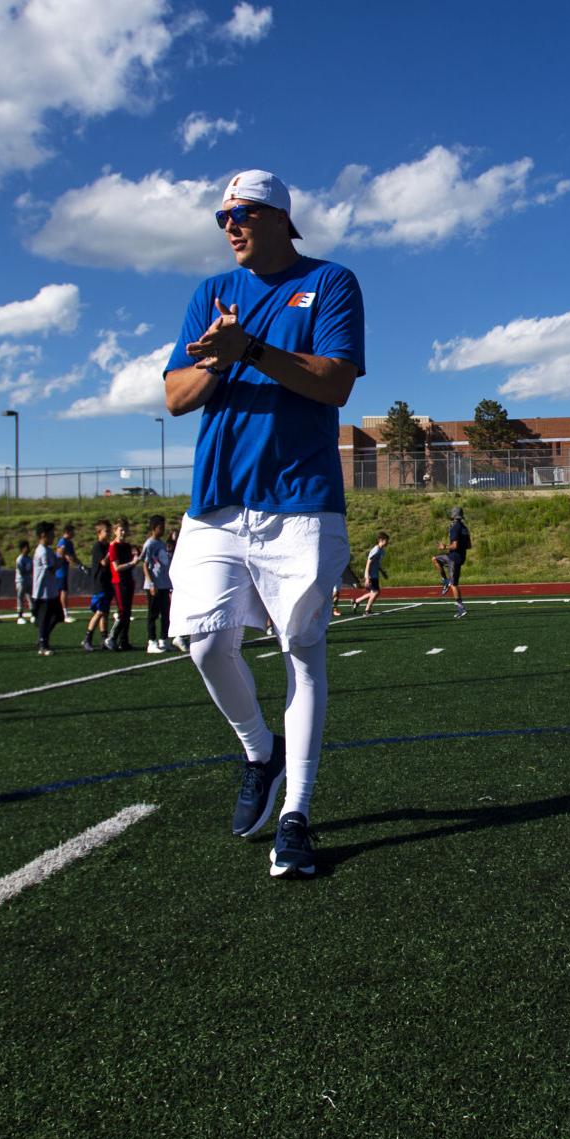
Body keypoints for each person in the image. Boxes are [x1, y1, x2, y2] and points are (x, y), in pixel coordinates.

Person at [164, 167, 364, 878]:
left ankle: (297, 815)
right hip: (215, 501)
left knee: (301, 651)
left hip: (300, 498)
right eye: (222, 217)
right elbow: (176, 395)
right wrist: (219, 360)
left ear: (281, 216)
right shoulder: (206, 294)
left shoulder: (332, 282)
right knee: (201, 640)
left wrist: (249, 349)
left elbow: (335, 381)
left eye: (243, 213)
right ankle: (260, 751)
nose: (230, 226)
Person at [104, 519, 139, 651]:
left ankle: (124, 640)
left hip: (128, 580)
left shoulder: (127, 546)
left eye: (125, 529)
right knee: (123, 611)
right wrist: (132, 563)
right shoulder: (113, 546)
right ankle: (111, 638)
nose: (123, 532)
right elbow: (116, 567)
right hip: (119, 582)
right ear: (115, 531)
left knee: (128, 611)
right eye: (121, 530)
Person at [141, 514, 174, 652]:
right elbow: (145, 564)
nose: (163, 529)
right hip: (154, 585)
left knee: (166, 613)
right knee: (153, 614)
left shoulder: (161, 543)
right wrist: (151, 583)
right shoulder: (150, 544)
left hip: (164, 584)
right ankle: (152, 641)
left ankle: (163, 639)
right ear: (154, 528)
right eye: (161, 527)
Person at [31, 521, 61, 656]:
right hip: (42, 592)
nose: (53, 536)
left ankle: (42, 638)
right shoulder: (42, 551)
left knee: (57, 616)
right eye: (51, 534)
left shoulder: (48, 550)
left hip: (51, 590)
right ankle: (43, 645)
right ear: (43, 535)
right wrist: (60, 559)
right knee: (45, 618)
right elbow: (51, 569)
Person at [83, 520, 113, 653]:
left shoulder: (106, 546)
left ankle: (104, 639)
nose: (109, 533)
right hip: (99, 583)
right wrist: (111, 550)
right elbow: (104, 562)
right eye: (106, 531)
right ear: (99, 533)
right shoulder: (98, 546)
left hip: (107, 582)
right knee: (99, 611)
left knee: (105, 612)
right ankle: (87, 638)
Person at [445, 507, 471, 620]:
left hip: (454, 558)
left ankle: (461, 608)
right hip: (460, 557)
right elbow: (469, 545)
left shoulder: (455, 527)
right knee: (435, 559)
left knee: (453, 584)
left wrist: (444, 547)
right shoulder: (464, 528)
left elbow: (454, 546)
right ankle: (444, 580)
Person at [356, 531, 389, 615]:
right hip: (370, 575)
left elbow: (378, 564)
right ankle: (367, 610)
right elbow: (368, 563)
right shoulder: (376, 550)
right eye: (386, 540)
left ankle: (356, 601)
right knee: (376, 592)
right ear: (380, 540)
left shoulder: (382, 551)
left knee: (373, 592)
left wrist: (382, 572)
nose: (387, 542)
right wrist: (367, 577)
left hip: (375, 574)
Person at [55, 523, 79, 623]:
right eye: (72, 532)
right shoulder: (62, 541)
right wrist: (65, 555)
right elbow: (59, 553)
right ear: (68, 532)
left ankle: (59, 613)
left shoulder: (69, 543)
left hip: (64, 569)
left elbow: (73, 556)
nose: (74, 534)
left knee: (62, 591)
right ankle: (64, 614)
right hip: (60, 571)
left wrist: (80, 565)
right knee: (63, 591)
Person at [14, 539, 33, 624]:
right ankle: (20, 616)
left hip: (28, 579)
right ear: (22, 549)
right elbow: (22, 571)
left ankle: (33, 614)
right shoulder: (20, 559)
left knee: (30, 597)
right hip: (21, 581)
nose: (28, 549)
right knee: (20, 598)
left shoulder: (29, 558)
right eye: (26, 547)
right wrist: (28, 571)